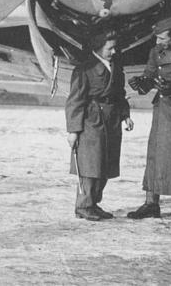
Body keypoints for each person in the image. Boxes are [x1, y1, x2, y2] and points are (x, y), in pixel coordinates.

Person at [127, 16, 171, 221]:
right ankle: (151, 203)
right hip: (162, 108)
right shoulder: (156, 52)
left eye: (162, 38)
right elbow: (150, 75)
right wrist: (142, 83)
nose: (157, 42)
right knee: (154, 154)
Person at [65, 31, 134, 221]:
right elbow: (75, 102)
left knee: (104, 165)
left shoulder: (115, 67)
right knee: (90, 165)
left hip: (111, 121)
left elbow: (119, 93)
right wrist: (73, 130)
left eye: (114, 47)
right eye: (110, 48)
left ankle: (94, 203)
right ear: (98, 47)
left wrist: (125, 115)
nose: (114, 51)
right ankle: (83, 205)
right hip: (91, 122)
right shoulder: (84, 69)